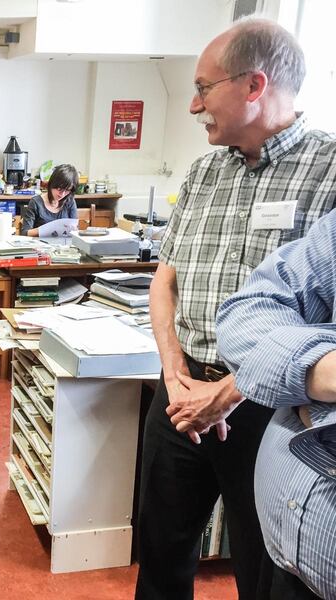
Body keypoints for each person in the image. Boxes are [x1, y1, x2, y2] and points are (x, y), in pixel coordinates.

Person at [135, 17, 336, 600]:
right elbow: (164, 281)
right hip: (178, 397)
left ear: (254, 85)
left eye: (204, 87)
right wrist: (174, 373)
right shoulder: (202, 174)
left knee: (263, 564)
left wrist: (227, 394)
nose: (194, 104)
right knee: (161, 551)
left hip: (269, 410)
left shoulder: (328, 173)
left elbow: (318, 324)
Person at [216, 210, 336, 599]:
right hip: (288, 555)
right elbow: (247, 311)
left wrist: (311, 406)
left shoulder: (321, 162)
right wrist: (316, 375)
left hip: (253, 398)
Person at [20, 163, 79, 236]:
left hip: (63, 245)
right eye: (59, 189)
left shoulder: (70, 201)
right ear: (52, 183)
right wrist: (49, 229)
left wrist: (73, 229)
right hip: (40, 245)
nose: (62, 194)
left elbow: (75, 229)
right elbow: (25, 233)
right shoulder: (36, 202)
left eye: (67, 190)